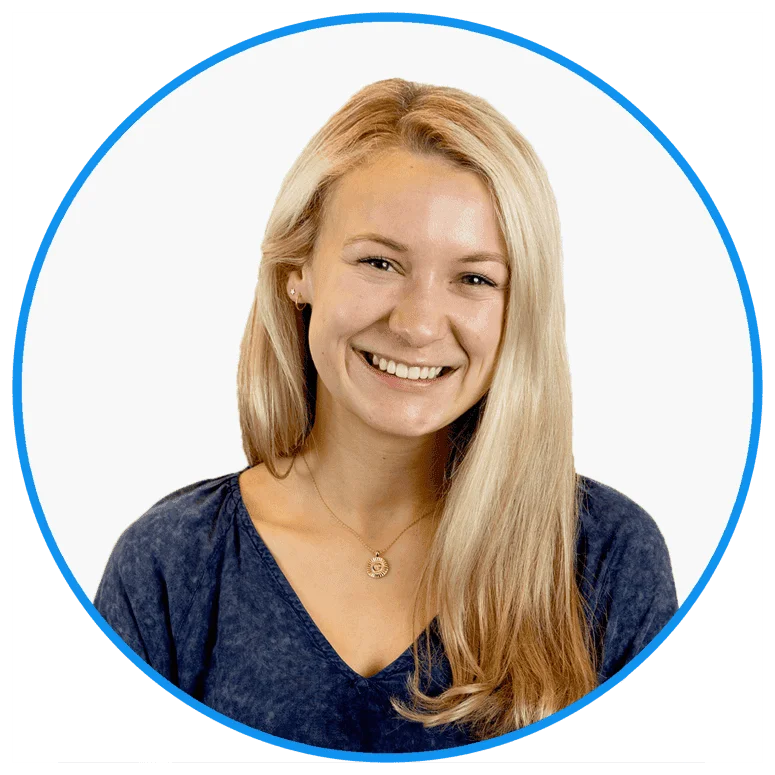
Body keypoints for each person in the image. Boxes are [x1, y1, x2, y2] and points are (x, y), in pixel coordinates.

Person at [93, 77, 679, 754]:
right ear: (297, 268)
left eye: (474, 278)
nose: (418, 323)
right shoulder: (172, 562)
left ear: (519, 308)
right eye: (379, 261)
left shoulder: (604, 558)